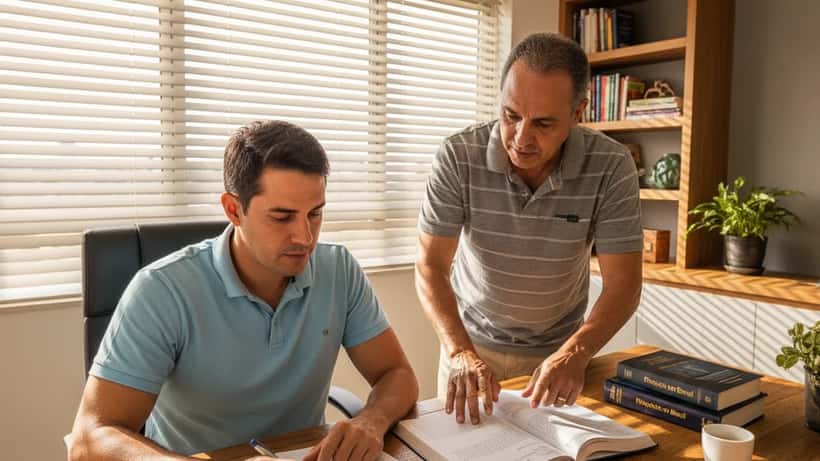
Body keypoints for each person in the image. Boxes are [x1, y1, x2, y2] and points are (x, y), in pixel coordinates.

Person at [69, 120, 419, 461]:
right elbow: (91, 438)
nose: (305, 237)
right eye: (282, 217)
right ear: (234, 209)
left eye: (314, 214)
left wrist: (370, 421)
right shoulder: (162, 289)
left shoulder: (339, 270)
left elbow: (397, 375)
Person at [415, 33, 643, 425]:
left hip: (559, 357)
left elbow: (623, 284)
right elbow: (430, 266)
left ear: (578, 113)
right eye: (511, 115)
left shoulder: (611, 165)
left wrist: (576, 353)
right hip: (469, 351)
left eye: (542, 123)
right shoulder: (458, 156)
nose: (521, 138)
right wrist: (459, 353)